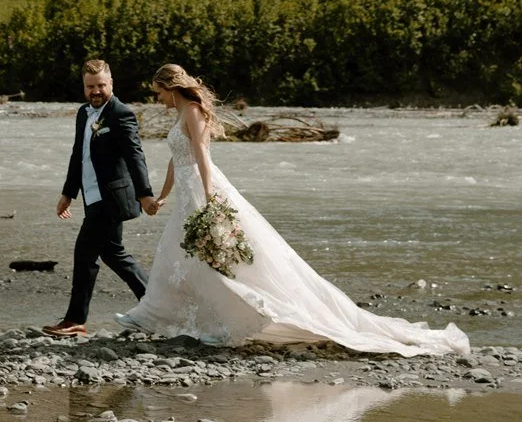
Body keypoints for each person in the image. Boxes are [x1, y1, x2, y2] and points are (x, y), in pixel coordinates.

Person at [117, 62, 469, 354]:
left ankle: (227, 326)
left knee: (213, 259)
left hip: (203, 190)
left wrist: (209, 199)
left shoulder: (192, 111)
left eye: (158, 91)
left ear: (171, 86)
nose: (157, 98)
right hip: (186, 191)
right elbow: (177, 161)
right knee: (181, 256)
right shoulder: (181, 113)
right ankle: (150, 315)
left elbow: (202, 157)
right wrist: (163, 196)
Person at [44, 57, 159, 338]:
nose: (95, 91)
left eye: (101, 85)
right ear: (84, 87)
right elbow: (78, 155)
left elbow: (135, 155)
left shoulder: (122, 114)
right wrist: (68, 193)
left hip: (112, 199)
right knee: (113, 253)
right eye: (90, 86)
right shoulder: (83, 113)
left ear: (111, 84)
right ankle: (157, 305)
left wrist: (145, 194)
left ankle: (75, 320)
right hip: (91, 197)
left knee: (84, 254)